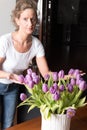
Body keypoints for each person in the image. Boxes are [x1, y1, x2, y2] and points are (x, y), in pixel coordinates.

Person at [0, 0, 51, 129]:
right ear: (17, 20)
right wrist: (9, 75)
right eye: (25, 19)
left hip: (12, 88)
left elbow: (46, 74)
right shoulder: (5, 41)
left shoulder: (36, 44)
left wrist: (68, 77)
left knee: (8, 124)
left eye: (33, 19)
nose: (30, 23)